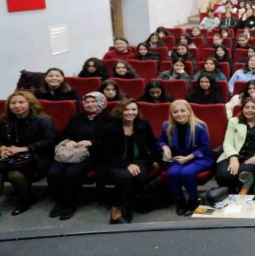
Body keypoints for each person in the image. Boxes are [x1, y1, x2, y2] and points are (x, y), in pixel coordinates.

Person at [47, 92, 113, 220]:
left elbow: (112, 140)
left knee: (71, 173)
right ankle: (59, 202)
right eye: (87, 102)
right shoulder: (77, 117)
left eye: (93, 101)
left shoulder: (109, 118)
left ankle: (69, 204)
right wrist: (69, 140)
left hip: (94, 154)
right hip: (71, 152)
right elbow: (64, 133)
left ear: (101, 102)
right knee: (53, 173)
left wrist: (91, 143)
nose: (90, 104)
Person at [100, 99, 161, 224]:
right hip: (116, 161)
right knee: (124, 177)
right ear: (120, 111)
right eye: (126, 109)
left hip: (138, 159)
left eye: (134, 109)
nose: (130, 112)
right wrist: (126, 164)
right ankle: (117, 209)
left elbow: (152, 143)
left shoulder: (143, 124)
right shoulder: (110, 127)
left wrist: (157, 160)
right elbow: (105, 153)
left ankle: (128, 204)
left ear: (138, 111)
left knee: (140, 175)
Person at [0, 91, 56, 216]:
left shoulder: (44, 120)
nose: (17, 106)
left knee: (14, 174)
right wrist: (2, 148)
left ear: (30, 104)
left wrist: (24, 148)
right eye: (13, 103)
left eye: (21, 102)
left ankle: (26, 200)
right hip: (12, 155)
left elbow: (50, 141)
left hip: (39, 156)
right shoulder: (5, 120)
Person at [158, 100, 215, 216]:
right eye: (175, 112)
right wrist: (165, 147)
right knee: (172, 173)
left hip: (199, 157)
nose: (179, 114)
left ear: (189, 111)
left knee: (186, 173)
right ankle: (180, 201)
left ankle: (193, 201)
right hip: (179, 157)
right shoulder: (167, 126)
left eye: (182, 111)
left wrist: (188, 158)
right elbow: (160, 140)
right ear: (171, 114)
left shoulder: (200, 126)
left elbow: (204, 147)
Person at [215, 97, 255, 194]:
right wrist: (233, 157)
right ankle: (230, 197)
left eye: (253, 108)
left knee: (245, 173)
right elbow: (228, 143)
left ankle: (245, 199)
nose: (249, 110)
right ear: (242, 109)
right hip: (232, 154)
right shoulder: (234, 121)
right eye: (246, 107)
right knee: (224, 175)